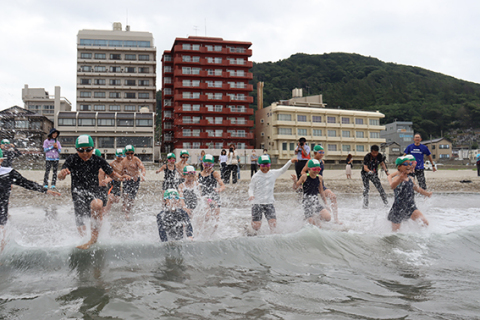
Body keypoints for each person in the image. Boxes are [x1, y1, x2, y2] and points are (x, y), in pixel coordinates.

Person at [58, 135, 130, 250]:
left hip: (95, 190)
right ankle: (84, 240)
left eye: (88, 149)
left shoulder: (98, 160)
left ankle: (93, 239)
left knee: (97, 205)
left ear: (93, 148)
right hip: (78, 193)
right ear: (76, 149)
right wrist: (61, 174)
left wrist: (121, 177)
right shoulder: (71, 159)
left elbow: (112, 174)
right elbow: (60, 177)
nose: (85, 153)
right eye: (81, 150)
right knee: (81, 222)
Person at [0, 148, 61, 253]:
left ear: (1, 160)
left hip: (2, 210)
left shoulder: (8, 173)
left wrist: (45, 190)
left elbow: (26, 183)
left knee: (1, 233)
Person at [248, 155, 298, 233]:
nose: (265, 167)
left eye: (267, 165)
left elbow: (282, 170)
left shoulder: (272, 173)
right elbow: (251, 188)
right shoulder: (255, 176)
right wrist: (251, 195)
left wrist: (290, 161)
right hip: (257, 203)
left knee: (273, 225)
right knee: (256, 227)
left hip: (269, 203)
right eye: (263, 165)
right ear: (259, 165)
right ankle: (248, 229)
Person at [387, 156, 431, 231]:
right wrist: (400, 180)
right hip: (398, 209)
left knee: (425, 223)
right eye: (406, 164)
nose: (409, 166)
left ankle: (417, 239)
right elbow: (392, 186)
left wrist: (427, 194)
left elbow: (417, 189)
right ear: (399, 167)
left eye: (410, 163)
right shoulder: (397, 178)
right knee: (395, 233)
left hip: (411, 207)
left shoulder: (411, 179)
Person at [300, 145, 339, 223]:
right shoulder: (310, 161)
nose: (322, 154)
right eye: (320, 152)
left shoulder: (322, 162)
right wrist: (305, 181)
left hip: (321, 185)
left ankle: (336, 219)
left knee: (333, 197)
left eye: (323, 152)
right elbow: (303, 171)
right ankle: (311, 218)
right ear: (315, 153)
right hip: (312, 186)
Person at [293, 159, 331, 227]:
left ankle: (315, 219)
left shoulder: (319, 178)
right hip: (307, 203)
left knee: (328, 217)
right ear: (309, 169)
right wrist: (295, 181)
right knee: (313, 224)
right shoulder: (304, 176)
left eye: (318, 169)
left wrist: (326, 203)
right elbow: (295, 188)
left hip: (315, 202)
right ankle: (308, 219)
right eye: (314, 169)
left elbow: (321, 191)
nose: (316, 171)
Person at [198, 154, 226, 227]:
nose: (208, 167)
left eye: (211, 165)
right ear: (202, 164)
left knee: (215, 221)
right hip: (205, 198)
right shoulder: (199, 175)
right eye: (206, 164)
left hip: (214, 197)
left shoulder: (214, 173)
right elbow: (196, 188)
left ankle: (213, 235)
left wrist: (219, 189)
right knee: (207, 217)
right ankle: (204, 231)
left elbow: (223, 185)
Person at [121, 145, 146, 219]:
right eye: (128, 154)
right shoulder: (123, 161)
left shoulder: (136, 160)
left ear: (134, 153)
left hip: (135, 179)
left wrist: (142, 175)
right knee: (126, 194)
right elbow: (120, 171)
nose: (130, 155)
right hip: (127, 179)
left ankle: (127, 211)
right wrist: (124, 176)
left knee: (132, 197)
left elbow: (142, 168)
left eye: (131, 153)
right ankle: (124, 206)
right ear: (125, 154)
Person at [104, 148, 125, 215]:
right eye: (118, 156)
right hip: (112, 181)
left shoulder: (123, 163)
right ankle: (106, 212)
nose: (120, 158)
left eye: (121, 156)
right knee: (111, 198)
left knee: (117, 200)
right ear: (115, 156)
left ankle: (107, 205)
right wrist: (108, 178)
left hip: (118, 182)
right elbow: (107, 171)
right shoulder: (112, 163)